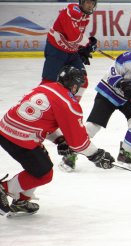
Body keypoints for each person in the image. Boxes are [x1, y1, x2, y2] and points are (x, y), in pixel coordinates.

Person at [0, 65, 114, 216]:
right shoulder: (67, 102)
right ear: (74, 85)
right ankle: (5, 188)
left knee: (41, 162)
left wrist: (60, 140)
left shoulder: (45, 88)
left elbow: (41, 120)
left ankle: (22, 200)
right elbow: (78, 142)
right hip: (22, 140)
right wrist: (96, 154)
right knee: (44, 173)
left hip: (5, 130)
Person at [40, 0, 99, 170]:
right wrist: (81, 46)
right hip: (56, 51)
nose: (90, 5)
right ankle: (45, 108)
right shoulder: (72, 11)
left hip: (70, 52)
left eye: (92, 3)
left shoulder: (84, 15)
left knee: (82, 81)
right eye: (87, 2)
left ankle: (66, 105)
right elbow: (73, 36)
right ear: (81, 2)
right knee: (48, 84)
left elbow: (75, 36)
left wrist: (84, 47)